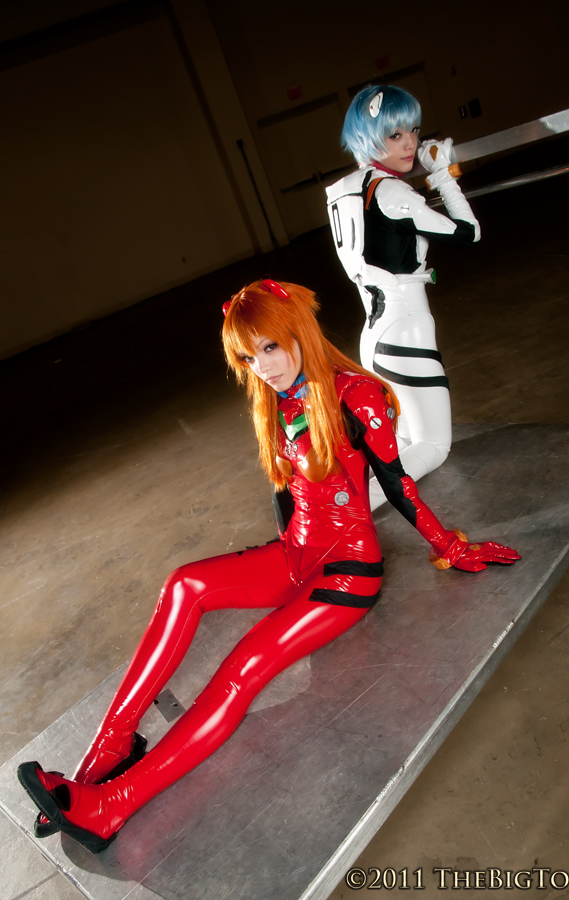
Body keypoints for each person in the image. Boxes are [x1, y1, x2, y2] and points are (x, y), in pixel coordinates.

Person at [18, 280, 518, 854]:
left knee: (240, 669)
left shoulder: (356, 395)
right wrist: (279, 551)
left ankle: (111, 806)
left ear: (297, 333)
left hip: (345, 572)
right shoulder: (279, 399)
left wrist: (450, 545)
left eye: (270, 348)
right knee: (184, 583)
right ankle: (105, 755)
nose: (263, 367)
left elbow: (396, 482)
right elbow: (288, 490)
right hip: (294, 555)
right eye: (249, 357)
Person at [326, 85, 480, 506]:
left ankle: (339, 507)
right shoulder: (391, 192)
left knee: (406, 442)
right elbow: (468, 233)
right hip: (406, 328)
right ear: (368, 138)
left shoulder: (348, 190)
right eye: (395, 135)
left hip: (377, 332)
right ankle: (341, 512)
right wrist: (441, 173)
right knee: (433, 446)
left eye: (413, 129)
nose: (410, 142)